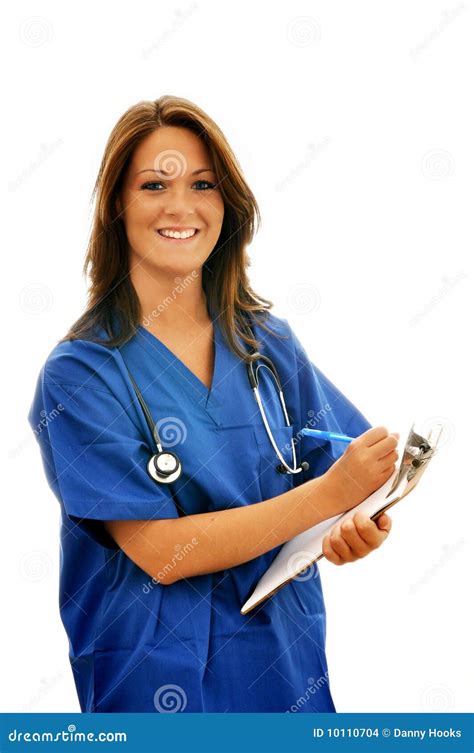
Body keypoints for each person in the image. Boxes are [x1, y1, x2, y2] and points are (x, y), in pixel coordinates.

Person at [27, 95, 398, 713]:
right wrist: (331, 497)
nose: (182, 206)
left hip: (284, 671)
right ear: (118, 204)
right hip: (153, 684)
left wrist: (352, 527)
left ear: (228, 203)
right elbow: (159, 552)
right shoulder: (82, 375)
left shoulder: (267, 346)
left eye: (203, 184)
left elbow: (343, 482)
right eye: (154, 184)